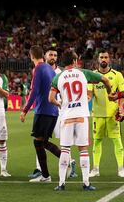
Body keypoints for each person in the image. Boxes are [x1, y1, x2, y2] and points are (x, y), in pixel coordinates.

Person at [49, 51, 111, 191]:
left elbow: (50, 98)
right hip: (82, 116)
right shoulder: (84, 73)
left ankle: (61, 183)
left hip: (66, 116)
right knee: (83, 149)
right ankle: (86, 183)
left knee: (65, 149)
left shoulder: (58, 77)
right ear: (75, 61)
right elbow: (105, 80)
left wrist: (60, 104)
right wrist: (109, 92)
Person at [20, 45, 61, 183]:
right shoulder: (51, 69)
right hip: (53, 111)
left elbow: (34, 91)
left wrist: (25, 110)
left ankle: (46, 175)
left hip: (43, 110)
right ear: (43, 55)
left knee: (38, 142)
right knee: (42, 142)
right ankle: (63, 161)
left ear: (31, 56)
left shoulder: (37, 68)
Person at [87, 49, 124, 177]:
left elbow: (122, 94)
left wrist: (121, 108)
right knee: (97, 142)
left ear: (109, 59)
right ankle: (95, 169)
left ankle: (121, 168)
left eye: (106, 57)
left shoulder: (117, 75)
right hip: (97, 114)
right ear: (98, 59)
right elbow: (89, 94)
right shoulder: (93, 75)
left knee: (117, 141)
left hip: (113, 115)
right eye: (101, 57)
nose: (103, 59)